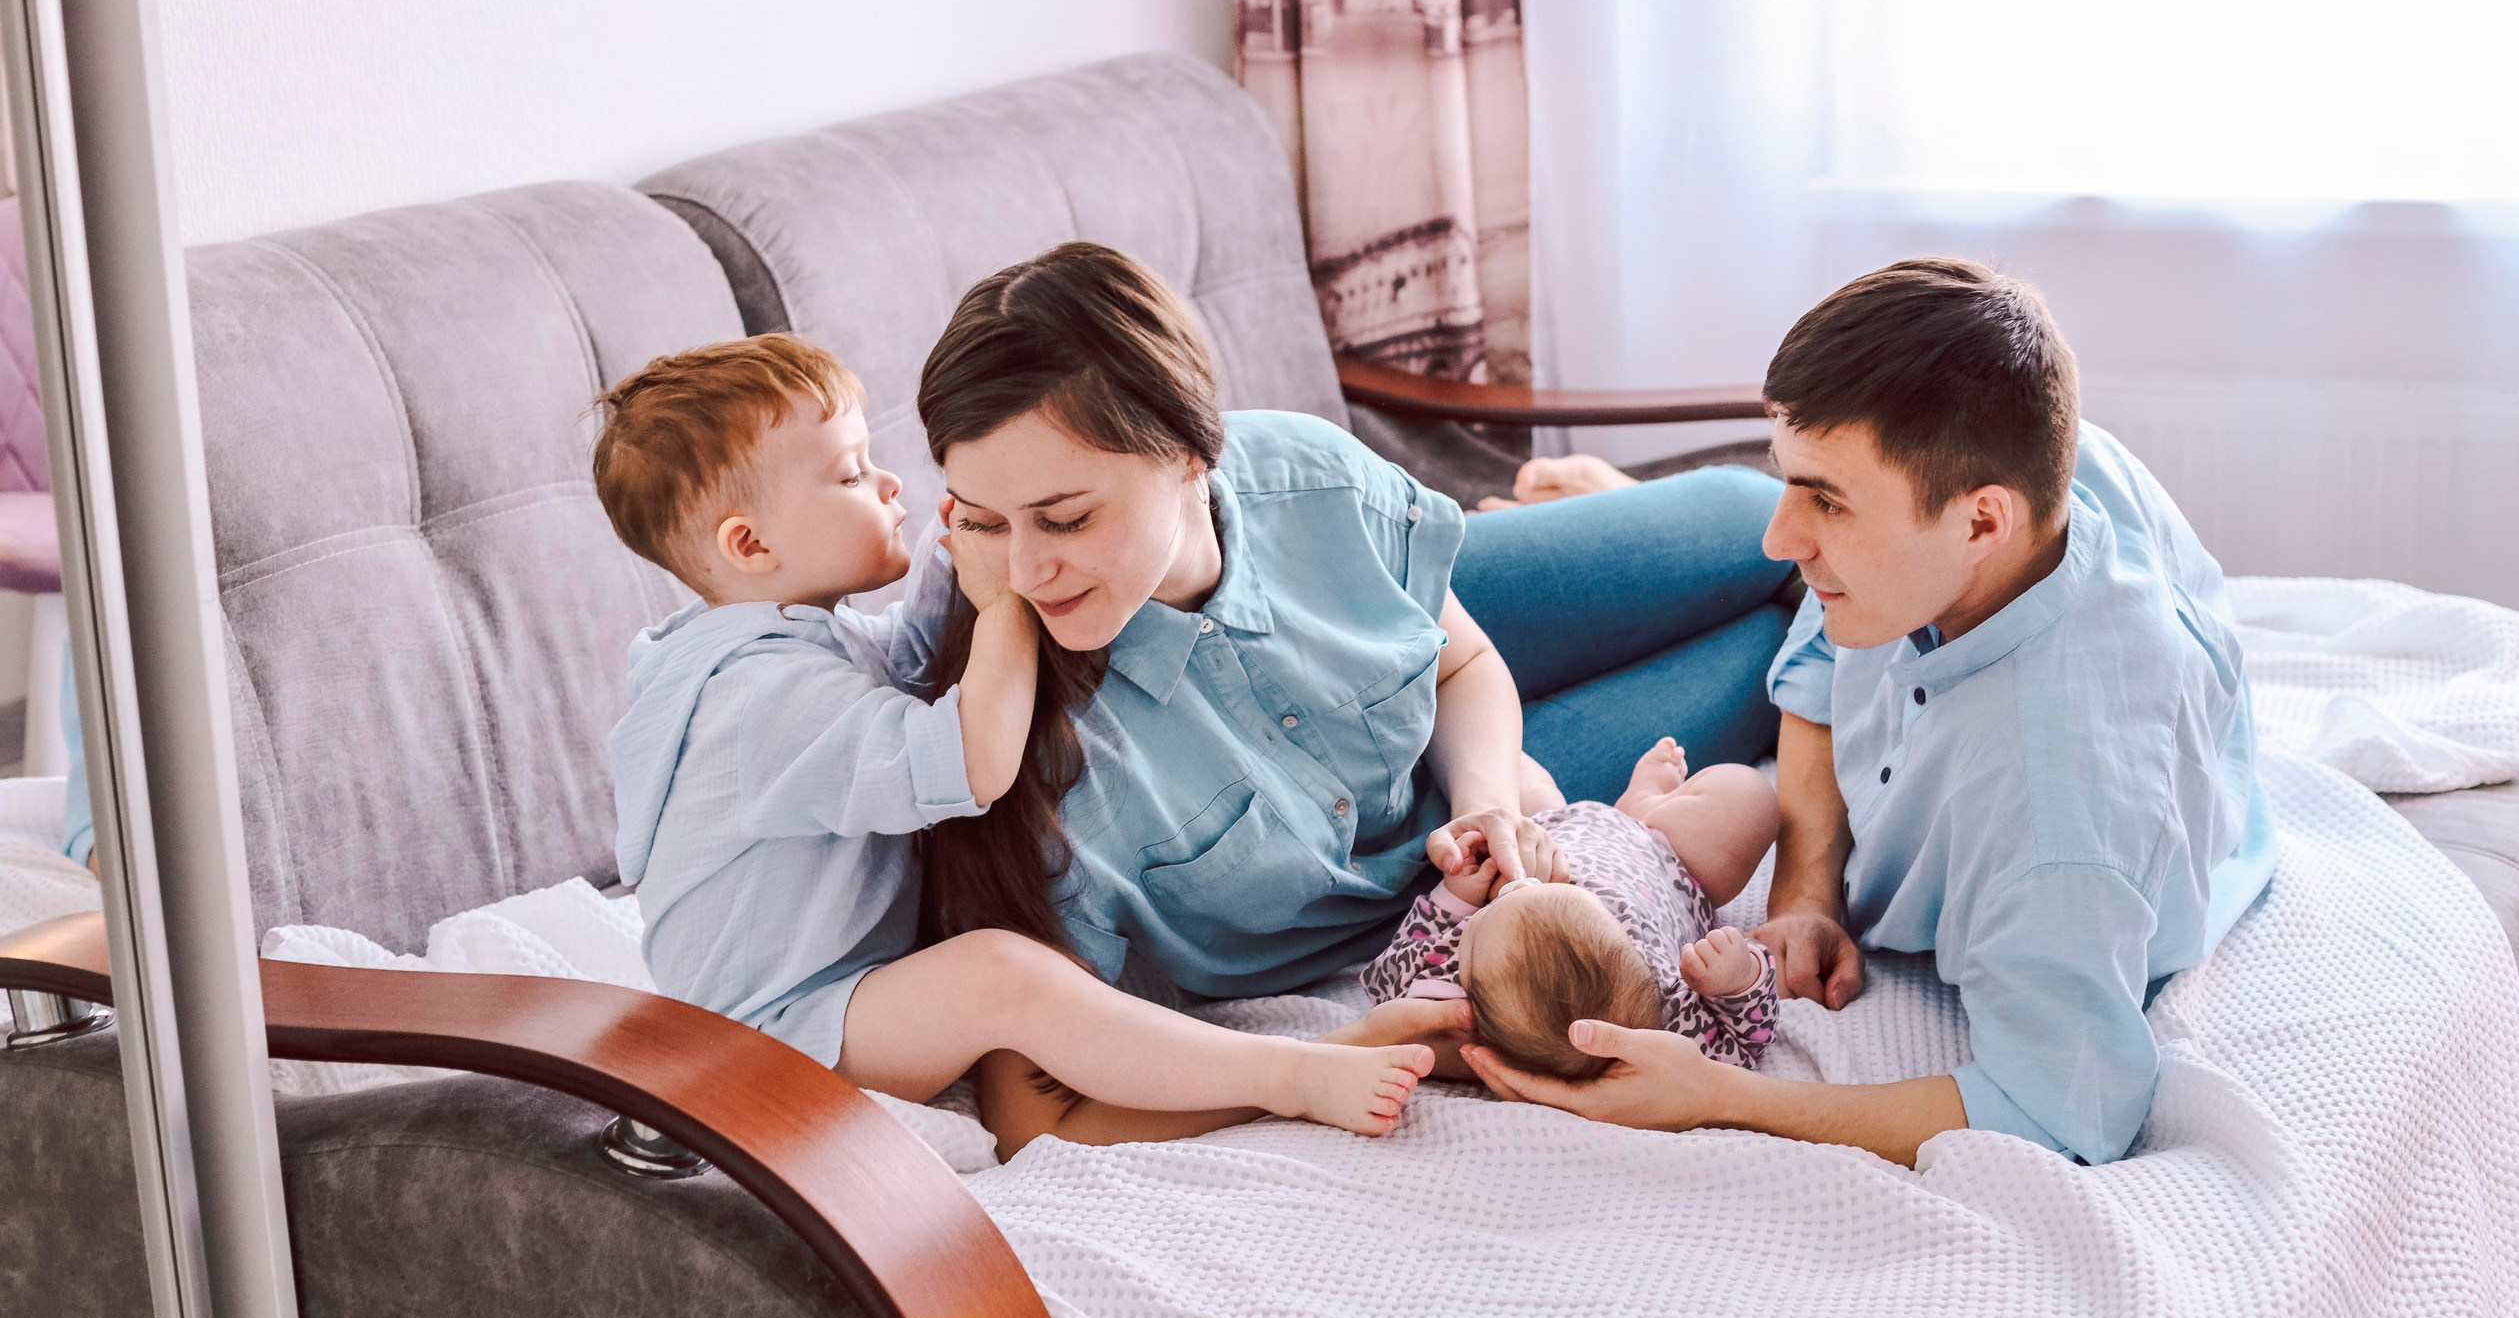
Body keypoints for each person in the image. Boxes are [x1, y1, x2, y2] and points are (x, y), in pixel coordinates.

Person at [906, 244, 1801, 1149]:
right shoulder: (1020, 744)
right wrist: (1323, 1060)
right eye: (980, 521)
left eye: (1064, 517)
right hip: (1433, 893)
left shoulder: (1309, 479)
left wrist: (1488, 804)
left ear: (1186, 453)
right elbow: (1036, 1111)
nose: (1022, 569)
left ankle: (1545, 505)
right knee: (1771, 650)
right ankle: (1546, 509)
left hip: (1425, 726)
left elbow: (1458, 663)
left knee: (1746, 518)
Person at [1463, 259, 2277, 1167]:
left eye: (1826, 500)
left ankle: (1648, 531)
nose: (1782, 533)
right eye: (1794, 480)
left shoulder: (2061, 822)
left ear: (1981, 524)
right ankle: (1644, 515)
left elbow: (2061, 1108)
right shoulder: (2019, 468)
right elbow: (1822, 657)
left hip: (2086, 739)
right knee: (1769, 568)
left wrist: (1720, 1096)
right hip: (1909, 581)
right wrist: (1807, 884)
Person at [594, 334, 1432, 1149]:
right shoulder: (756, 698)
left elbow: (912, 669)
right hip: (776, 1041)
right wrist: (1000, 608)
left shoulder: (789, 645)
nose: (889, 483)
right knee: (1000, 975)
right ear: (750, 544)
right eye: (850, 473)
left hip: (829, 1005)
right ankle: (1287, 1073)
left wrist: (981, 539)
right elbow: (972, 756)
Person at [1359, 739, 1784, 1082]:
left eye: (1494, 905)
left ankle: (1615, 805)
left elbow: (1388, 979)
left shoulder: (1452, 985)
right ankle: (1644, 805)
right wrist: (1738, 980)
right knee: (1749, 795)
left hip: (1542, 833)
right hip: (1662, 853)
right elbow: (1746, 1041)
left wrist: (1458, 898)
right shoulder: (1666, 1024)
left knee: (1506, 759)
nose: (1519, 887)